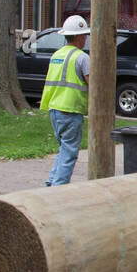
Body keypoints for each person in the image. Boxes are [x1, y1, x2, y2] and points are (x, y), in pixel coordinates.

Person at [40, 15, 90, 186]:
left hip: (54, 109)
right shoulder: (82, 57)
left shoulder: (56, 55)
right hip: (71, 110)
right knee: (69, 153)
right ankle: (58, 188)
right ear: (79, 36)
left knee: (64, 150)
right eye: (84, 35)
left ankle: (51, 183)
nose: (85, 38)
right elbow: (94, 84)